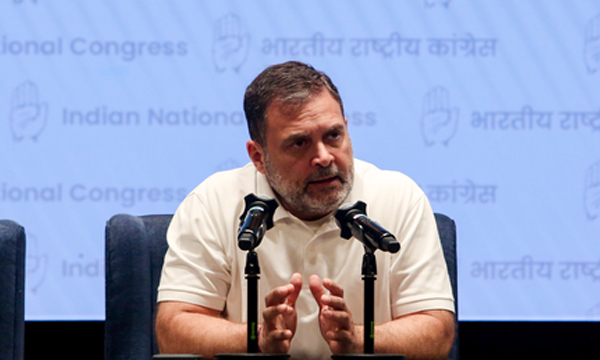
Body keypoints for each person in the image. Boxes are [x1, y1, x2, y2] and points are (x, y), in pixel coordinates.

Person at [155, 61, 455, 359]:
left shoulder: (399, 198)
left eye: (333, 136)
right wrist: (258, 338)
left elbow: (436, 334)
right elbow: (173, 332)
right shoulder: (212, 203)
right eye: (300, 143)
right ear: (259, 157)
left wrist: (357, 339)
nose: (324, 157)